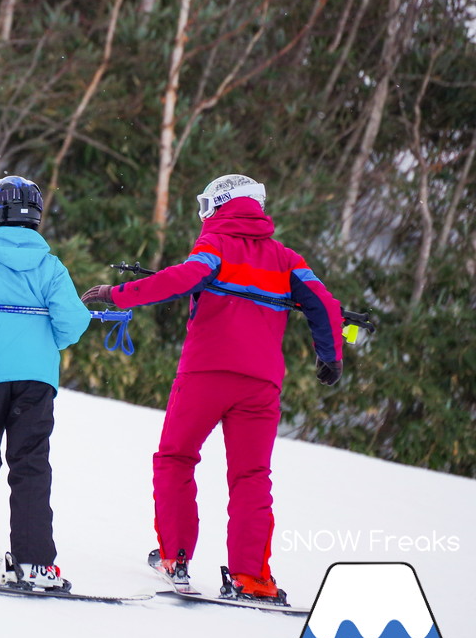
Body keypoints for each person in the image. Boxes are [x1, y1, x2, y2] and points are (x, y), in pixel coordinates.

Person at [81, 174, 344, 604]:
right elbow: (323, 302)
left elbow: (182, 278)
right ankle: (252, 577)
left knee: (175, 459)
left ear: (220, 205)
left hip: (205, 375)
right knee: (252, 478)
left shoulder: (215, 246)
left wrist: (120, 293)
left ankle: (176, 557)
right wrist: (329, 355)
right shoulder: (288, 259)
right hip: (261, 385)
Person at [0, 175, 92, 590]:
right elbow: (74, 320)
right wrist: (45, 343)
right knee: (30, 465)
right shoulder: (50, 266)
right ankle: (34, 562)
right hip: (37, 380)